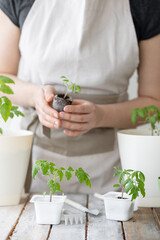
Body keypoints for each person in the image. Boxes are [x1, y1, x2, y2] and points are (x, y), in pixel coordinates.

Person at [0, 0, 160, 194]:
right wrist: (35, 96)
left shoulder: (146, 5)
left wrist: (101, 115)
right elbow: (3, 79)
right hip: (37, 159)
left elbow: (154, 103)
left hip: (112, 168)